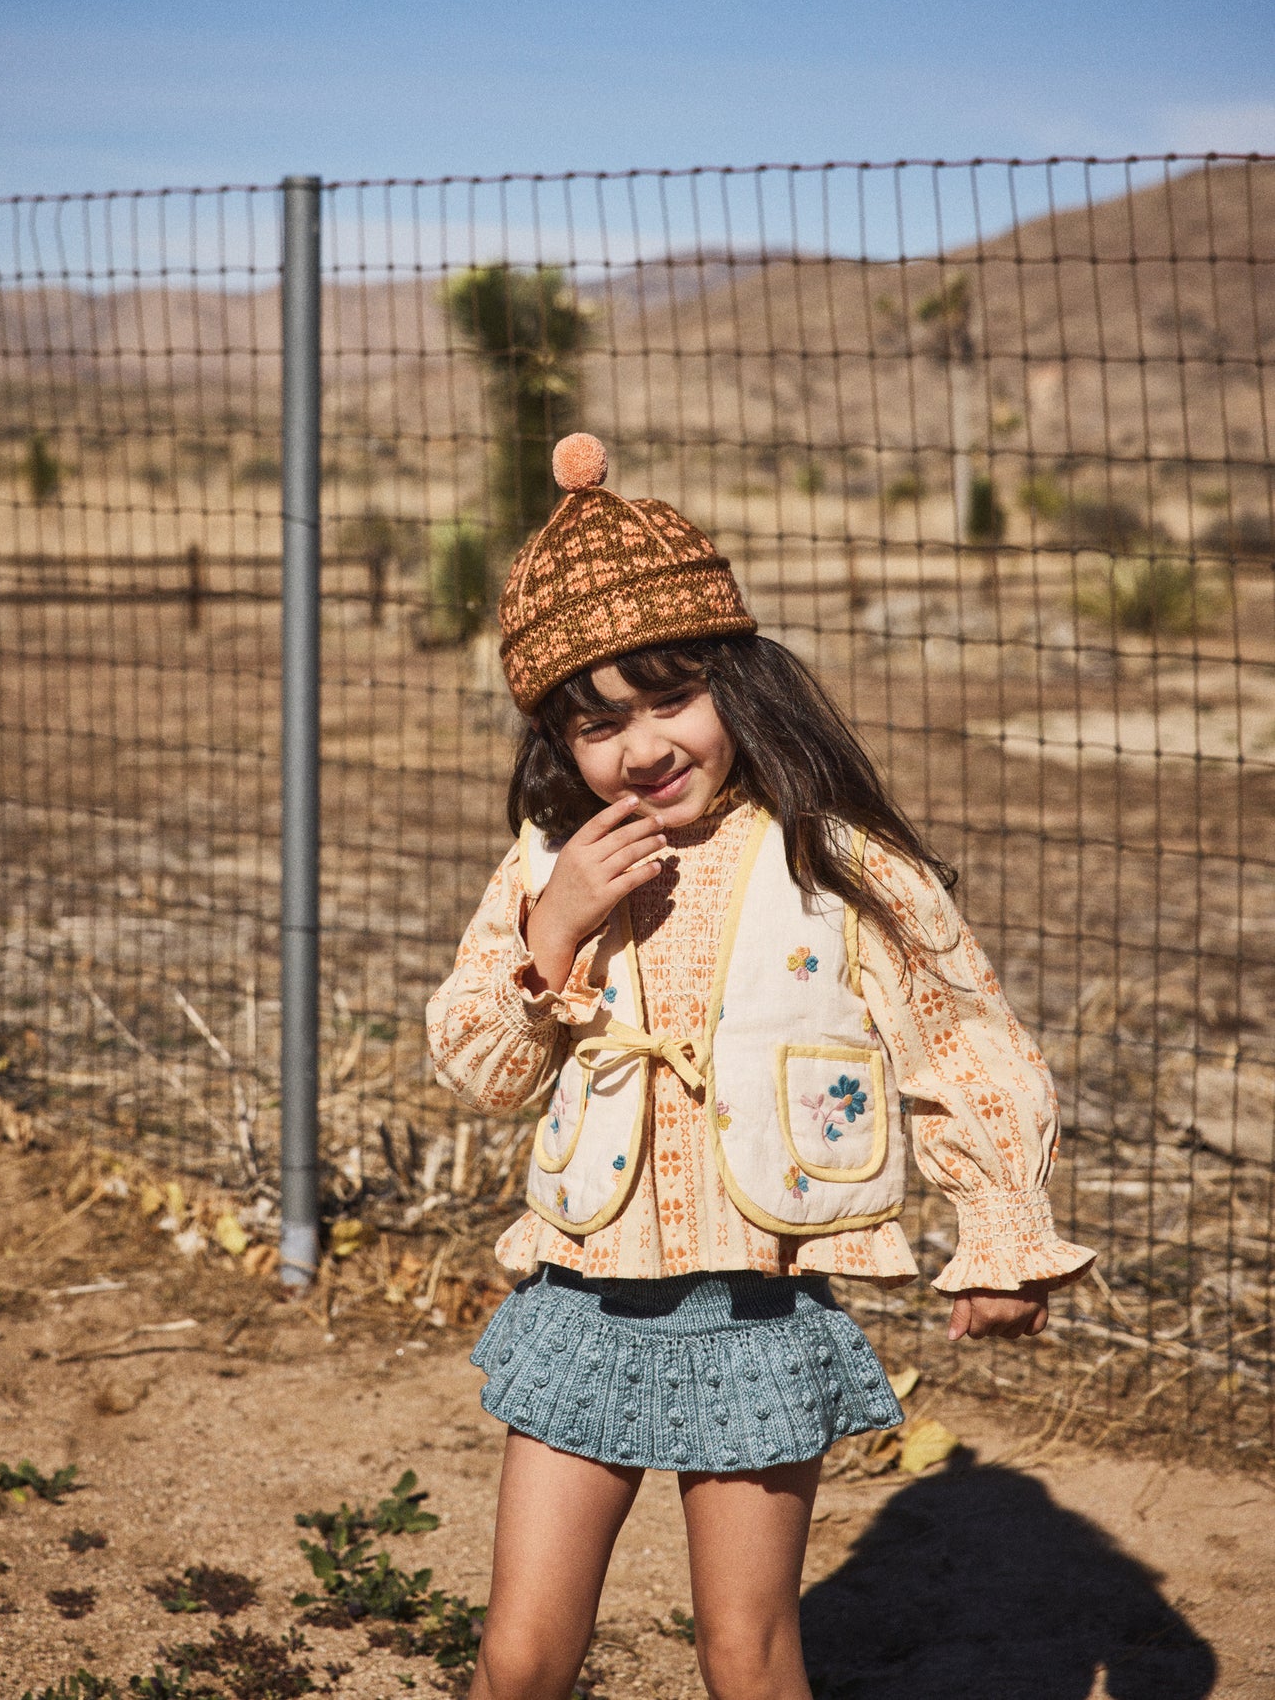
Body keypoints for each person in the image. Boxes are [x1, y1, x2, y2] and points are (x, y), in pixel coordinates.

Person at [426, 432, 1093, 1700]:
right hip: (583, 1301)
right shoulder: (541, 873)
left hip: (758, 1312)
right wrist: (552, 928)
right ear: (557, 743)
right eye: (596, 722)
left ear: (738, 682)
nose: (641, 747)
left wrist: (1001, 1227)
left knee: (748, 1648)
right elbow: (478, 1067)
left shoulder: (832, 864)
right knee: (519, 1653)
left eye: (670, 698)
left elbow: (963, 1038)